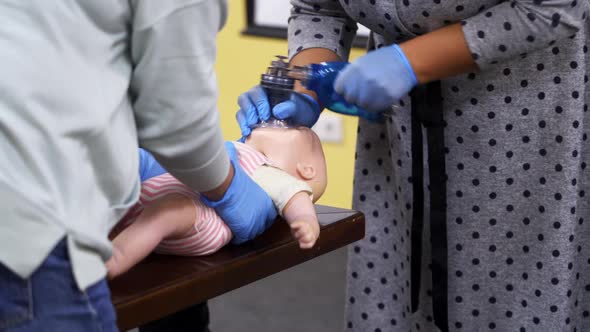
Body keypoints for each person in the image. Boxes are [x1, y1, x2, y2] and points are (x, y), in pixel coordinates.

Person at [236, 1, 590, 331]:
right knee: (397, 287)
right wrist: (306, 81)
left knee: (518, 299)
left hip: (528, 122)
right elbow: (318, 7)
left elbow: (557, 6)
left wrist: (410, 61)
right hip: (399, 135)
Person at [0, 1, 277, 331]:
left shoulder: (269, 177)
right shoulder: (236, 178)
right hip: (32, 222)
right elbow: (177, 124)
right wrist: (229, 188)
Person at [107, 126, 327, 279]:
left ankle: (114, 258)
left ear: (305, 169)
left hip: (203, 219)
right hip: (165, 189)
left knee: (167, 212)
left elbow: (296, 197)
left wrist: (306, 221)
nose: (278, 124)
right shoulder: (238, 151)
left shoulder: (267, 170)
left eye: (291, 128)